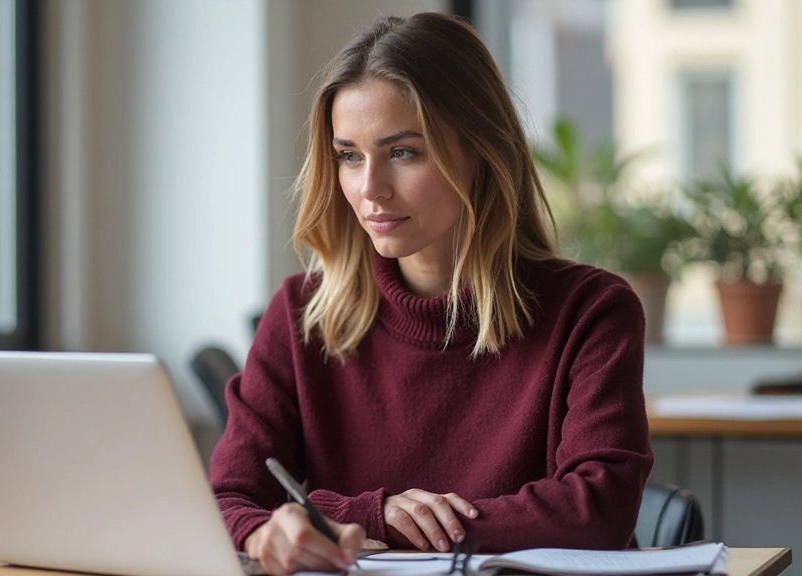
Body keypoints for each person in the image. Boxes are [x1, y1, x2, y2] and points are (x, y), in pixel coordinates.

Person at [209, 12, 653, 575]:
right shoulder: (300, 314)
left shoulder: (591, 311)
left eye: (403, 152)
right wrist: (365, 517)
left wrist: (375, 523)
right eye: (349, 156)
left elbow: (599, 510)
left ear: (481, 151)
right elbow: (228, 501)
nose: (370, 188)